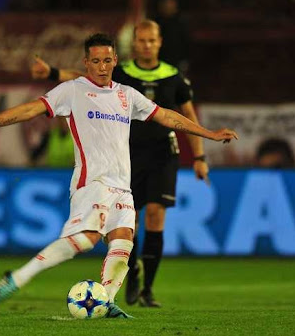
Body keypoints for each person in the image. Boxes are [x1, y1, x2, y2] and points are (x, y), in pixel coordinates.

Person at [0, 33, 238, 318]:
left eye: (107, 60)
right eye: (96, 61)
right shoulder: (73, 90)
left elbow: (168, 116)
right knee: (88, 238)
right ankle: (16, 278)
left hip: (121, 186)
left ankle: (107, 300)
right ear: (86, 63)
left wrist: (209, 135)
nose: (102, 67)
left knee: (124, 237)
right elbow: (31, 109)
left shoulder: (127, 95)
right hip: (92, 182)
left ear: (115, 60)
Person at [31, 20, 207, 308]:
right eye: (142, 40)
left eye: (152, 41)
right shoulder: (121, 71)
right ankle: (132, 273)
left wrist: (199, 157)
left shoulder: (174, 77)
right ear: (134, 43)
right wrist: (51, 72)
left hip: (164, 153)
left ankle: (148, 288)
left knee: (156, 216)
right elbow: (82, 76)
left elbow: (188, 116)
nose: (147, 45)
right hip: (127, 154)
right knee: (130, 221)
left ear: (159, 42)